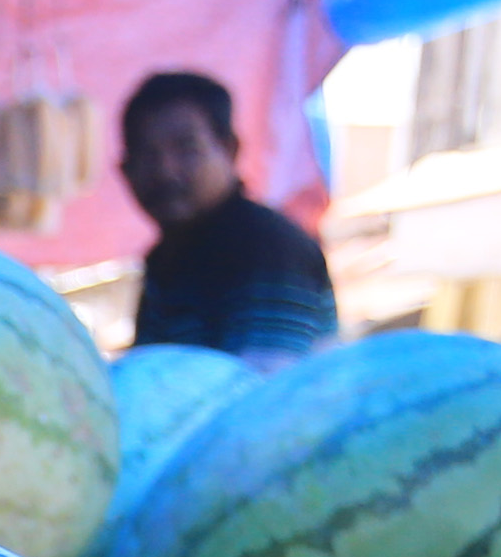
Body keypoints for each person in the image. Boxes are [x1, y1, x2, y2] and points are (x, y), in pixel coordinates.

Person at [123, 69, 339, 362]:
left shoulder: (267, 249)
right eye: (146, 154)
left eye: (186, 149)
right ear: (124, 170)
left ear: (229, 149)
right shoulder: (167, 259)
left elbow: (261, 382)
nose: (165, 171)